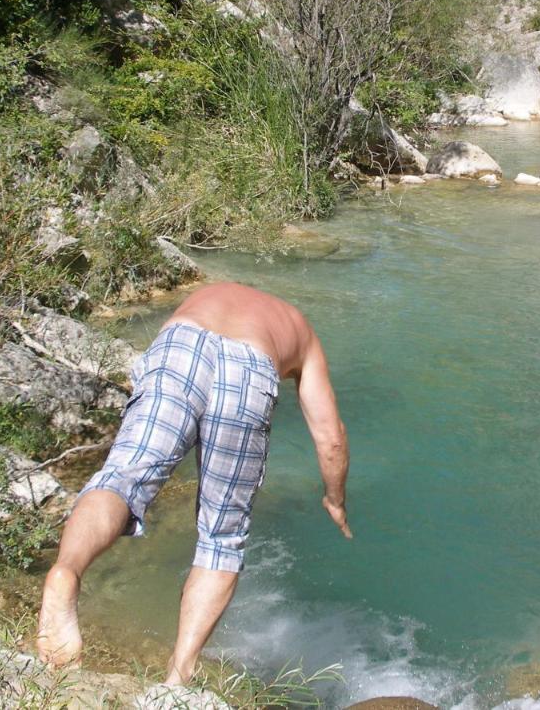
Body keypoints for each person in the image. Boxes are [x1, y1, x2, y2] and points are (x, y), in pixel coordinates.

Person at [36, 282, 351, 685]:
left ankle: (67, 572)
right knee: (221, 537)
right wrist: (335, 499)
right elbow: (332, 438)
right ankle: (177, 680)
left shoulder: (210, 292)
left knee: (121, 479)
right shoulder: (301, 331)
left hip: (181, 347)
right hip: (250, 367)